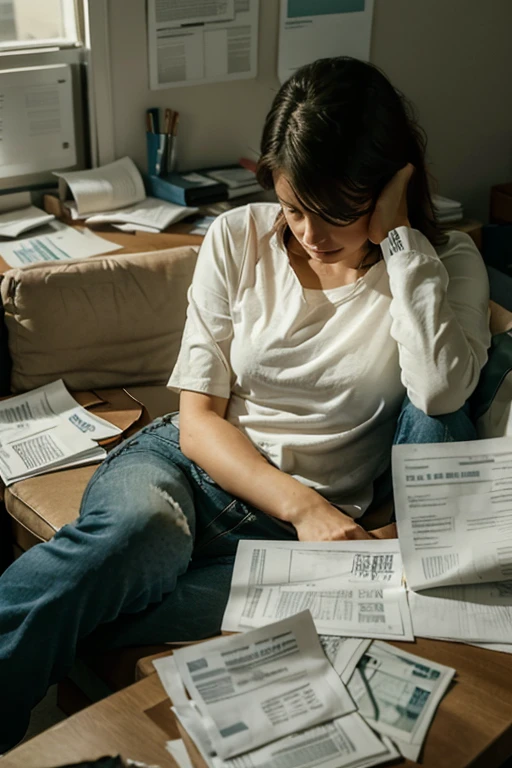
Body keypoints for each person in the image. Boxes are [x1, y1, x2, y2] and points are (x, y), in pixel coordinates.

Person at [0, 56, 490, 752]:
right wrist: (305, 506)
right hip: (195, 471)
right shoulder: (238, 237)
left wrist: (402, 241)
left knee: (113, 607)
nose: (311, 235)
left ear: (388, 187)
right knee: (138, 537)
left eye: (337, 212)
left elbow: (440, 394)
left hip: (296, 544)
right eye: (294, 208)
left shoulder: (442, 267)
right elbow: (198, 421)